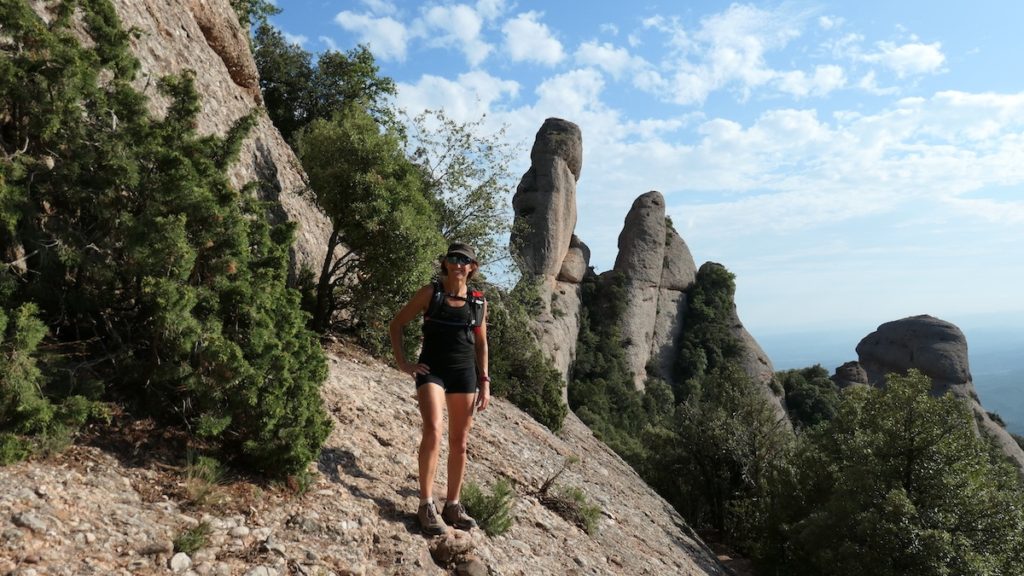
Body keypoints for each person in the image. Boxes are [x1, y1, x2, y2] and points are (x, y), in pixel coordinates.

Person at [389, 242, 490, 535]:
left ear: (472, 267)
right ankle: (426, 504)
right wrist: (404, 363)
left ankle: (453, 505)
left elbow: (482, 343)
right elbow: (396, 325)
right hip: (432, 371)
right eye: (453, 258)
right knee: (433, 430)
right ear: (445, 263)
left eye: (465, 260)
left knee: (460, 442)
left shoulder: (479, 301)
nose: (458, 264)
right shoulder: (430, 293)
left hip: (463, 376)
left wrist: (484, 380)